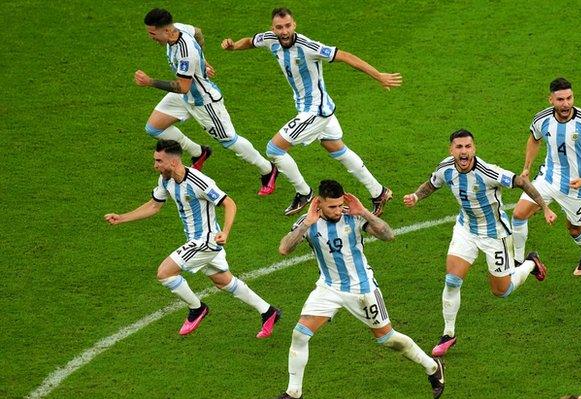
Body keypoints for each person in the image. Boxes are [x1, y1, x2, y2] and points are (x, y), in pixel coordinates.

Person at [263, 179, 444, 399]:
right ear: (318, 203)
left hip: (362, 289)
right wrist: (307, 223)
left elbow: (388, 235)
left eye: (340, 205)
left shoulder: (354, 216)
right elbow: (284, 249)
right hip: (329, 287)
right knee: (299, 334)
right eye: (332, 207)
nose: (338, 210)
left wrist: (366, 213)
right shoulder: (308, 222)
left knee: (387, 339)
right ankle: (294, 393)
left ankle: (432, 367)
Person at [221, 7, 401, 216]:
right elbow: (250, 41)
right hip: (316, 108)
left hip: (316, 111)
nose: (284, 31)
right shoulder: (270, 39)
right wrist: (234, 46)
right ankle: (378, 192)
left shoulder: (308, 46)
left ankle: (303, 192)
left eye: (288, 26)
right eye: (279, 27)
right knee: (336, 148)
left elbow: (344, 55)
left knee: (274, 149)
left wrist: (377, 75)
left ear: (294, 25)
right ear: (273, 28)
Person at [403, 129, 556, 357]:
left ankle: (530, 263)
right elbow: (432, 184)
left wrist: (544, 208)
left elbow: (522, 182)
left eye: (467, 147)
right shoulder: (445, 167)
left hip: (495, 235)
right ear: (451, 150)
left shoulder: (488, 172)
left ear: (474, 149)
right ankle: (448, 333)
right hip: (465, 229)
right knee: (452, 280)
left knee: (501, 291)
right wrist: (416, 196)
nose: (463, 151)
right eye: (459, 147)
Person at [104, 140, 281, 337]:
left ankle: (197, 309)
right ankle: (269, 311)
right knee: (223, 281)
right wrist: (122, 218)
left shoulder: (199, 182)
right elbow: (154, 205)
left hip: (206, 240)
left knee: (165, 273)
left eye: (159, 161)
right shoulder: (166, 180)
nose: (155, 165)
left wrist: (226, 231)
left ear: (173, 162)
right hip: (196, 240)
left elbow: (229, 203)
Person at [136, 8, 278, 196]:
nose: (151, 38)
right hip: (185, 96)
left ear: (167, 31)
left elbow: (183, 87)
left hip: (203, 102)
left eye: (153, 34)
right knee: (154, 128)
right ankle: (199, 152)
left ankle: (268, 170)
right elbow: (198, 31)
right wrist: (203, 61)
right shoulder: (178, 28)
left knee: (229, 140)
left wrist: (150, 82)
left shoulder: (185, 52)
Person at [513, 78, 581, 276]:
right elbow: (534, 139)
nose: (565, 104)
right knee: (519, 214)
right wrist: (526, 168)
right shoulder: (541, 119)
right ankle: (518, 262)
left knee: (574, 229)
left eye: (569, 98)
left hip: (576, 186)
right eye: (560, 99)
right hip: (547, 178)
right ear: (551, 100)